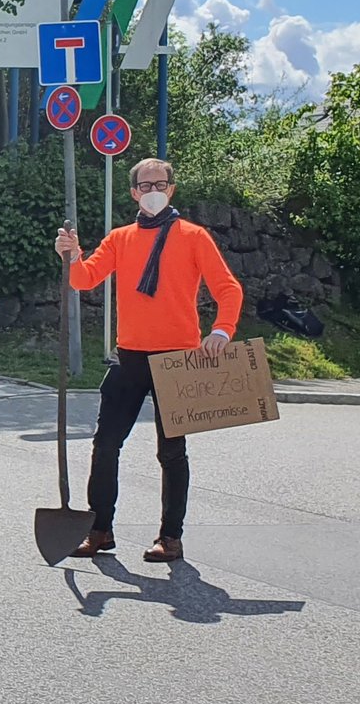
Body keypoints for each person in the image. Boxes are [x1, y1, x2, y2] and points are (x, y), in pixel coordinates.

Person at [54, 158, 243, 563]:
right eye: (145, 184)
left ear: (172, 188)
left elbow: (228, 288)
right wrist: (71, 255)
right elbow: (84, 279)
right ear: (134, 193)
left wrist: (221, 330)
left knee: (171, 452)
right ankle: (99, 530)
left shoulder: (194, 236)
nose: (153, 189)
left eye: (160, 183)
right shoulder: (121, 238)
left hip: (179, 358)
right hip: (130, 355)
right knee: (105, 445)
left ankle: (170, 538)